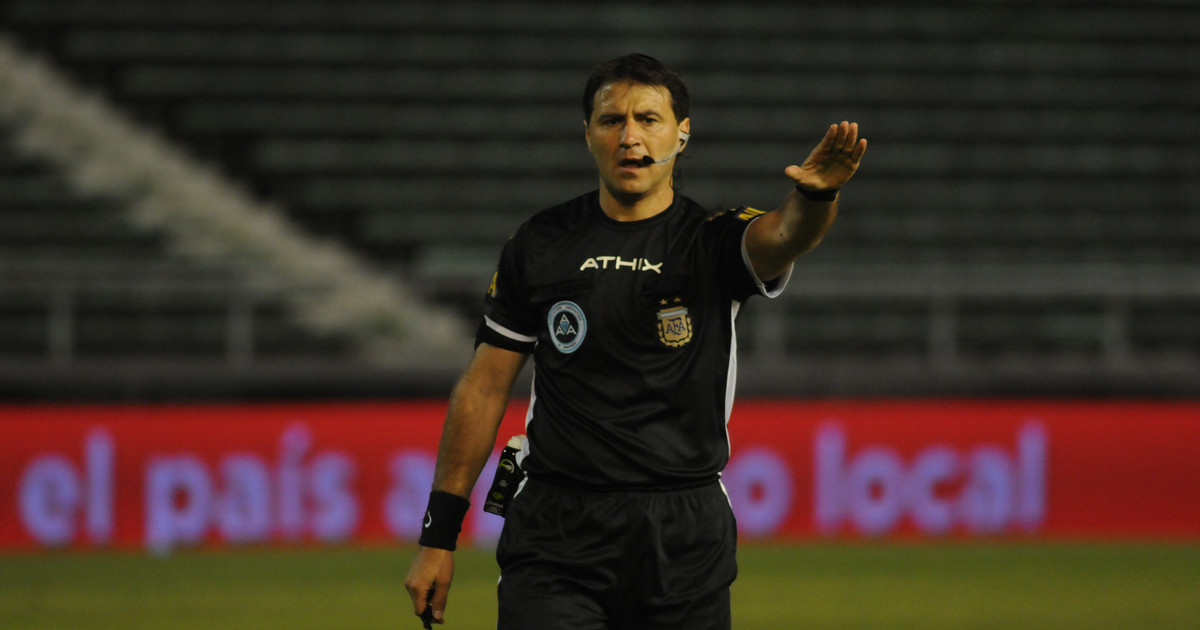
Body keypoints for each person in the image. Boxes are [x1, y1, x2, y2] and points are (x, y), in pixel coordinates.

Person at [404, 52, 866, 629]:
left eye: (648, 119)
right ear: (588, 135)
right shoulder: (540, 243)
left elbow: (786, 234)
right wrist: (438, 535)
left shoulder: (712, 240)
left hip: (682, 533)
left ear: (682, 133)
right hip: (556, 530)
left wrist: (817, 195)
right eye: (611, 120)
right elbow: (483, 387)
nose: (630, 137)